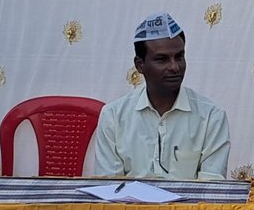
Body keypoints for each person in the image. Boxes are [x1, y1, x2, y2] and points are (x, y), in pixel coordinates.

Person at [88, 12, 231, 179]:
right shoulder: (113, 116)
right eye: (162, 59)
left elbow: (211, 187)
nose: (175, 67)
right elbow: (109, 186)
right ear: (140, 65)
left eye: (179, 57)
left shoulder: (211, 117)